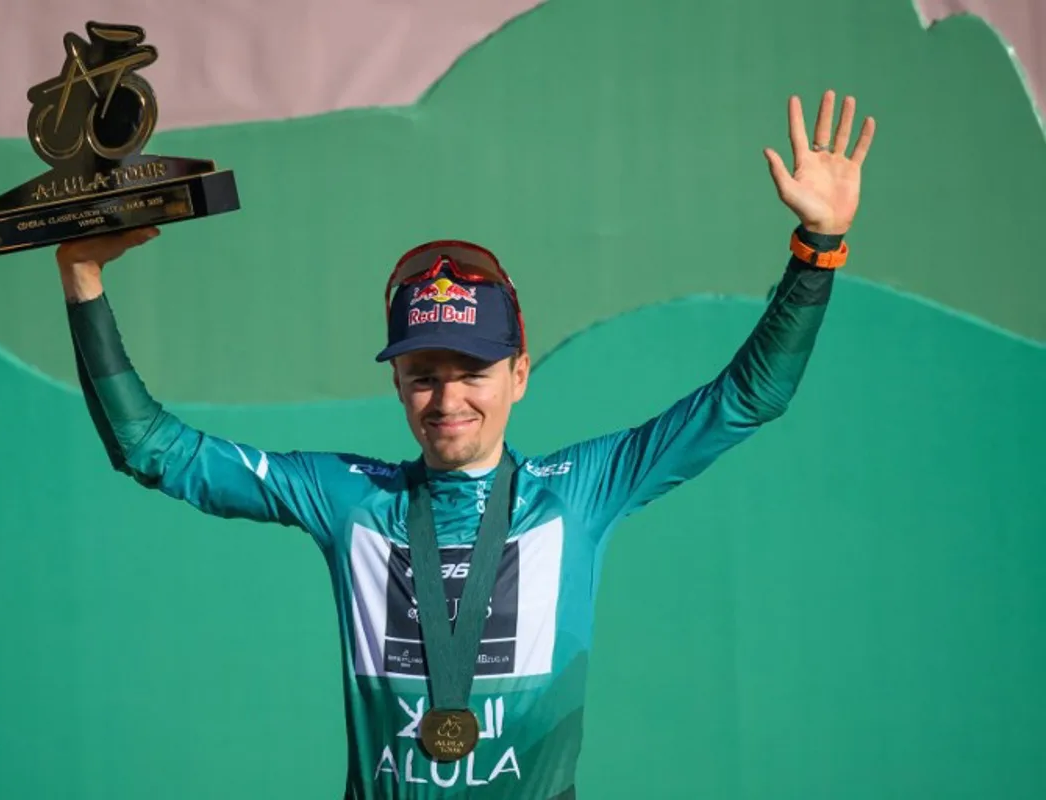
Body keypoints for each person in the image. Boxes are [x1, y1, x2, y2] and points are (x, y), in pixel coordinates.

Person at [56, 90, 876, 799]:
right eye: (422, 374)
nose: (447, 398)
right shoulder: (349, 496)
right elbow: (149, 447)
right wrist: (83, 282)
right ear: (397, 383)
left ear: (521, 372)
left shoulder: (582, 487)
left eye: (473, 371)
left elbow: (750, 397)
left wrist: (819, 251)